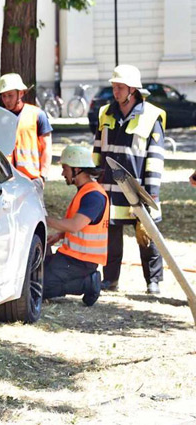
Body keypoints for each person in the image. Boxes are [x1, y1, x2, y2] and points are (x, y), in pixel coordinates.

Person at [92, 64, 165, 294]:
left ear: (133, 90)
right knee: (111, 236)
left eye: (120, 88)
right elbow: (97, 148)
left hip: (138, 189)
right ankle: (110, 279)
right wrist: (93, 176)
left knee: (147, 236)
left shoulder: (152, 116)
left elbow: (155, 158)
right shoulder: (106, 113)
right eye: (114, 87)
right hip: (109, 187)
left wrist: (151, 194)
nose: (115, 92)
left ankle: (153, 281)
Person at [44, 145, 109, 306]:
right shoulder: (86, 191)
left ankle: (88, 283)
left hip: (80, 261)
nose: (62, 173)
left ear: (77, 169)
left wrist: (43, 219)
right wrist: (59, 236)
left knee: (38, 287)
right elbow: (82, 227)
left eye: (65, 168)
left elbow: (74, 225)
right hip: (73, 257)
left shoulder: (93, 195)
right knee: (34, 278)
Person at [0, 73, 52, 191]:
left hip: (32, 180)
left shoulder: (37, 115)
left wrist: (43, 177)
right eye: (4, 96)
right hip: (7, 181)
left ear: (20, 93)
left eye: (10, 95)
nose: (6, 100)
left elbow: (47, 147)